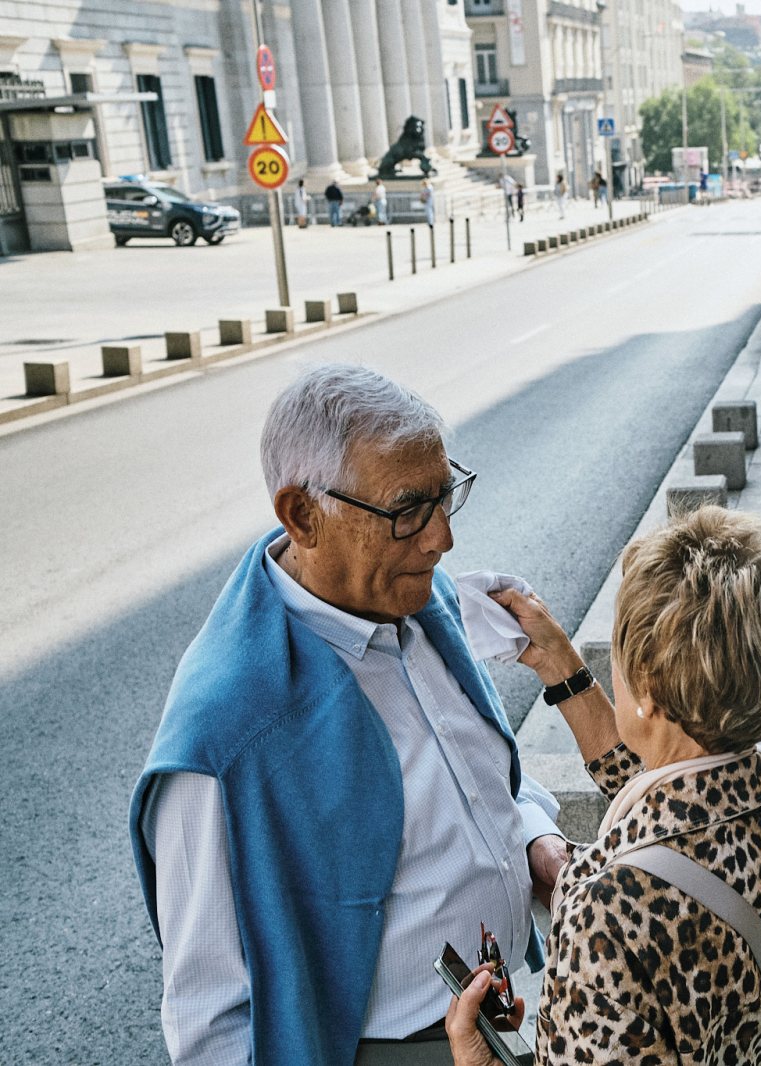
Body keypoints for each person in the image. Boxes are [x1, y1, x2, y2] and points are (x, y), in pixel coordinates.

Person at [132, 364, 569, 1066]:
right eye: (405, 512)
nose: (439, 541)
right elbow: (209, 1018)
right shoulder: (227, 733)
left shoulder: (422, 606)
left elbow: (490, 783)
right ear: (303, 515)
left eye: (443, 498)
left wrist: (536, 842)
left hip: (505, 1016)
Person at [446, 505, 761, 1065]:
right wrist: (560, 664)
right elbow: (678, 793)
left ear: (648, 687)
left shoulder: (602, 916)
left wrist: (476, 1059)